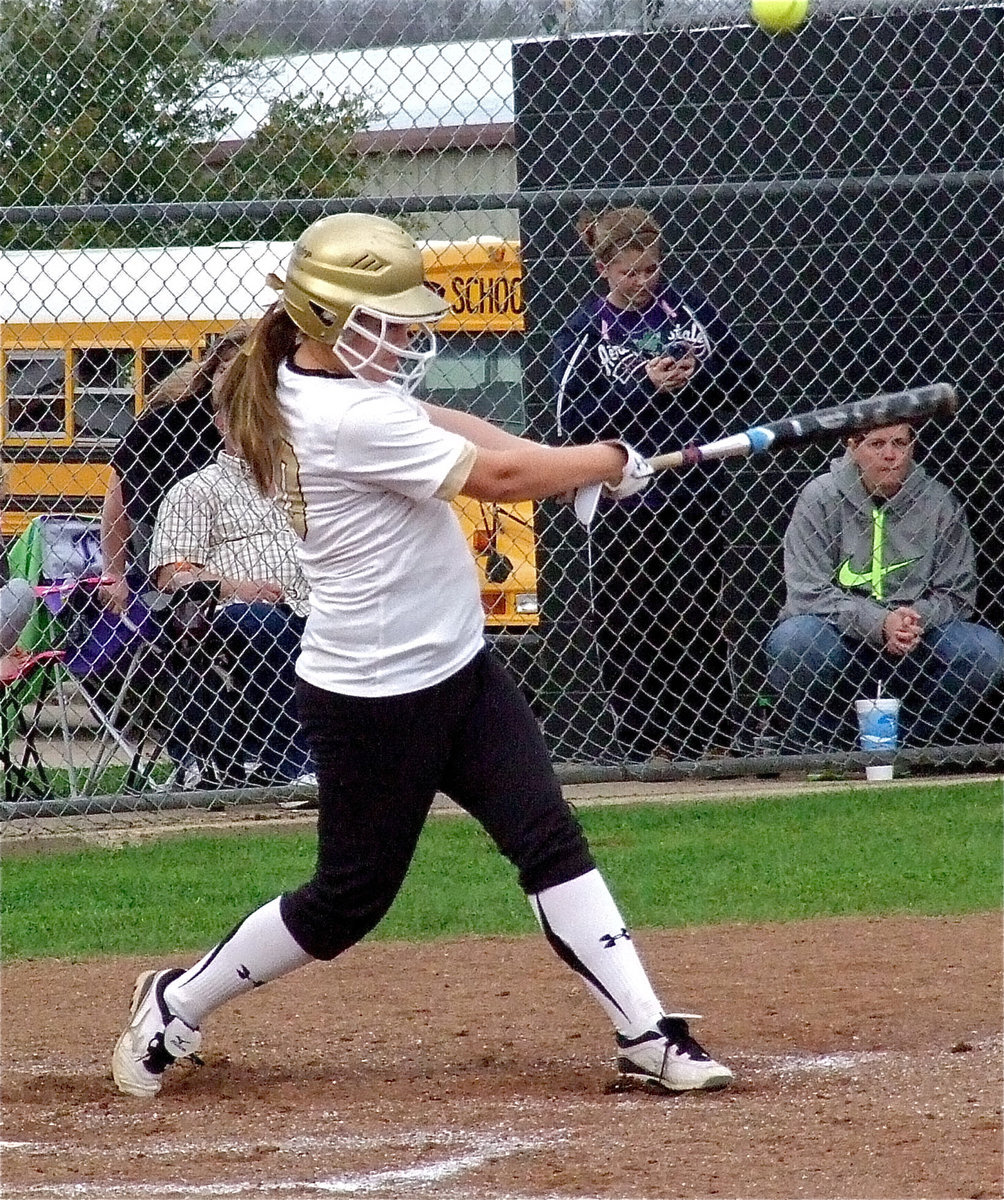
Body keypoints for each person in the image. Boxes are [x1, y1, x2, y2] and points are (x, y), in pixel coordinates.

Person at [111, 212, 732, 1100]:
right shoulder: (345, 415)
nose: (406, 337)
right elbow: (499, 480)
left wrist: (585, 461)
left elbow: (466, 429)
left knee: (548, 837)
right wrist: (604, 459)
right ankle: (177, 1000)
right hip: (374, 696)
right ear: (329, 319)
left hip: (459, 667)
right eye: (387, 321)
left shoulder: (328, 379)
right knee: (345, 902)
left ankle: (646, 1030)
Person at [553, 206, 765, 760]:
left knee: (697, 609)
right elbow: (572, 419)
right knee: (630, 616)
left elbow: (746, 380)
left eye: (651, 269)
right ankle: (647, 744)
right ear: (603, 268)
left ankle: (711, 736)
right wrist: (643, 389)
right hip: (625, 498)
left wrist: (700, 376)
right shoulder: (586, 330)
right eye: (629, 272)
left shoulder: (689, 311)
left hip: (692, 493)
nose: (643, 281)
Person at [765, 422, 1004, 748]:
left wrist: (910, 621)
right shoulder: (820, 497)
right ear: (852, 447)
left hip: (916, 639)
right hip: (841, 637)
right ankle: (826, 747)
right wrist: (879, 624)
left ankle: (905, 747)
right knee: (795, 641)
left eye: (899, 443)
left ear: (912, 447)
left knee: (985, 651)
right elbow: (807, 592)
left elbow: (958, 594)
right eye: (877, 444)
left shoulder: (938, 501)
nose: (891, 455)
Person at [149, 400, 315, 789]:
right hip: (231, 612)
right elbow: (172, 574)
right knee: (261, 623)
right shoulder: (195, 490)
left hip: (315, 604)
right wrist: (239, 588)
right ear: (221, 423)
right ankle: (289, 762)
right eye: (242, 414)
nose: (255, 424)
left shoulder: (304, 484)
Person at [101, 321, 255, 612]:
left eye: (239, 372)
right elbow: (118, 492)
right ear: (210, 372)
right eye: (222, 370)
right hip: (162, 537)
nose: (228, 380)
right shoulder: (167, 422)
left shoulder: (266, 423)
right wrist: (114, 573)